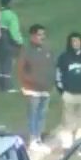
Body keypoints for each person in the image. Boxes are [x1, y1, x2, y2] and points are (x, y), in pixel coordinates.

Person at [18, 24, 55, 152]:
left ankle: (38, 138)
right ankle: (33, 140)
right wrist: (31, 83)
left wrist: (51, 82)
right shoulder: (26, 51)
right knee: (33, 115)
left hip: (45, 89)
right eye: (39, 35)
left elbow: (52, 66)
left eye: (43, 34)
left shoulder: (47, 50)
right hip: (32, 90)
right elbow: (21, 70)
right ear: (32, 36)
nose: (42, 37)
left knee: (42, 114)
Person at [55, 32, 81, 148]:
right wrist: (62, 91)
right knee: (67, 122)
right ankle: (67, 146)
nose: (76, 43)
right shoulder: (64, 58)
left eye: (78, 41)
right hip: (69, 94)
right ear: (70, 43)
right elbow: (58, 74)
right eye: (73, 41)